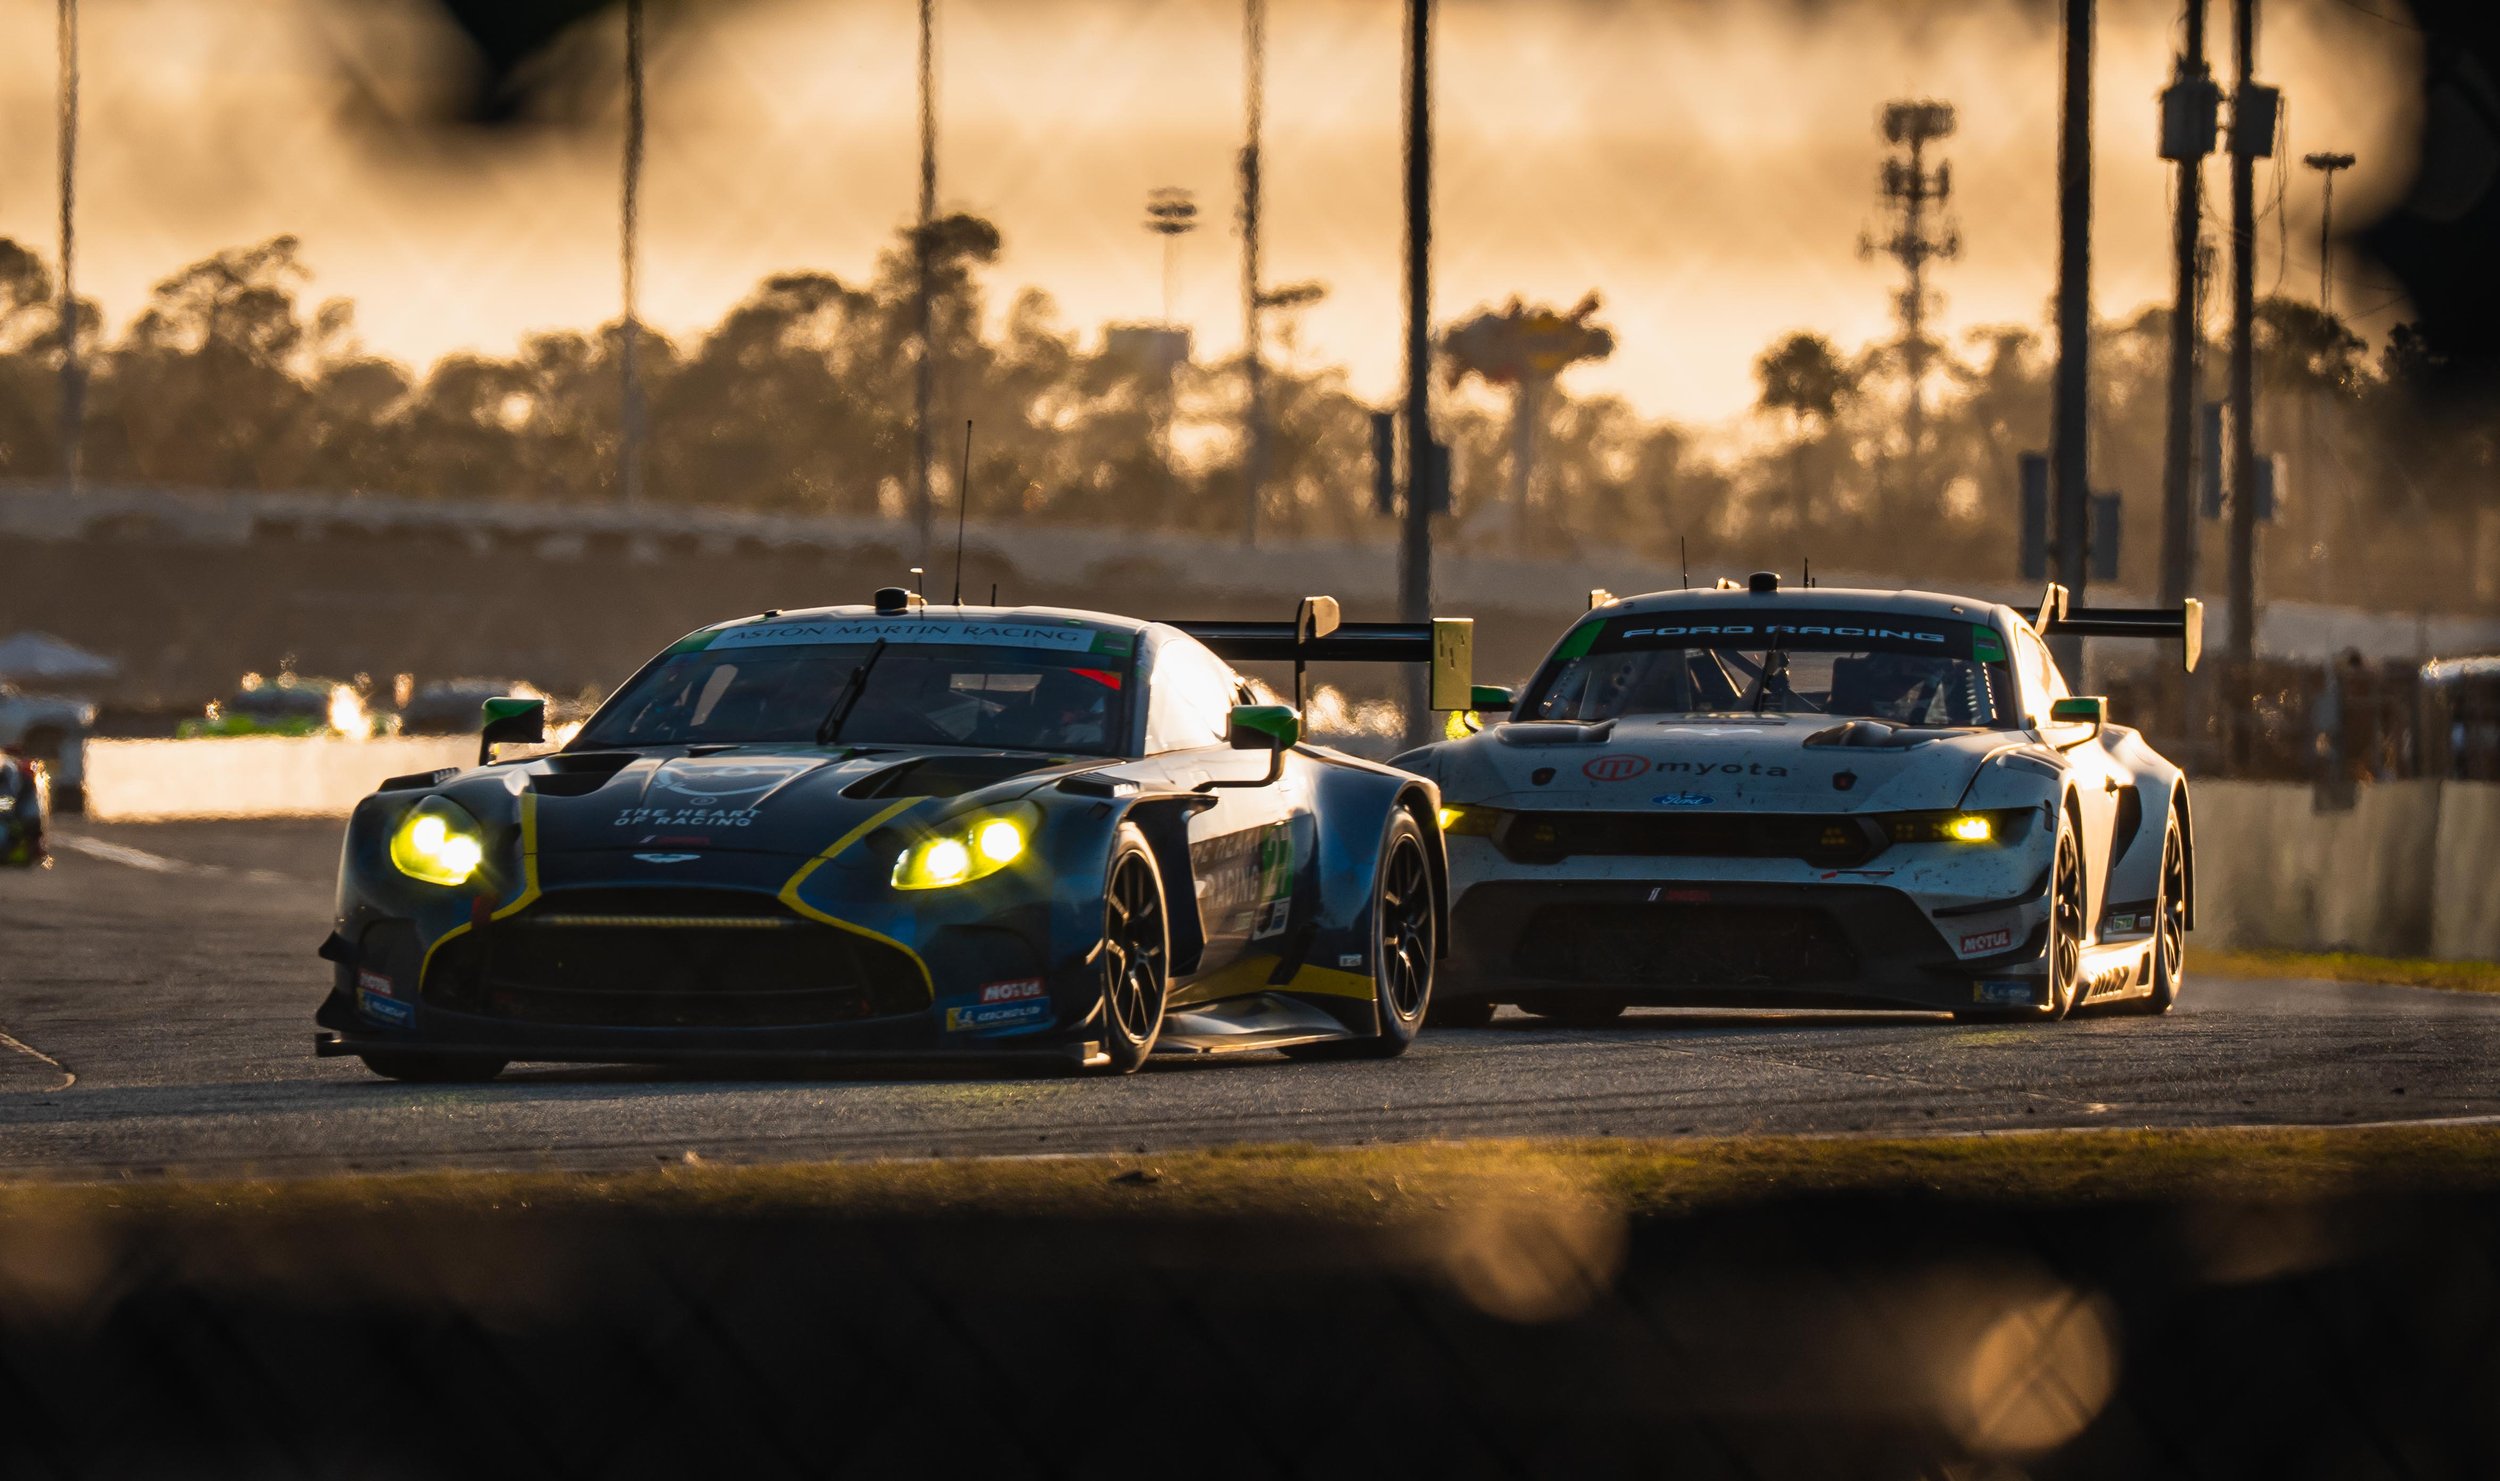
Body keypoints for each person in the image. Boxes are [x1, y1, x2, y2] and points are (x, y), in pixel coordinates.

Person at [0, 747, 48, 868]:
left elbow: (8, 802)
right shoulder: (15, 771)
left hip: (21, 819)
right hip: (23, 818)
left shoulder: (12, 772)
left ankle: (26, 850)